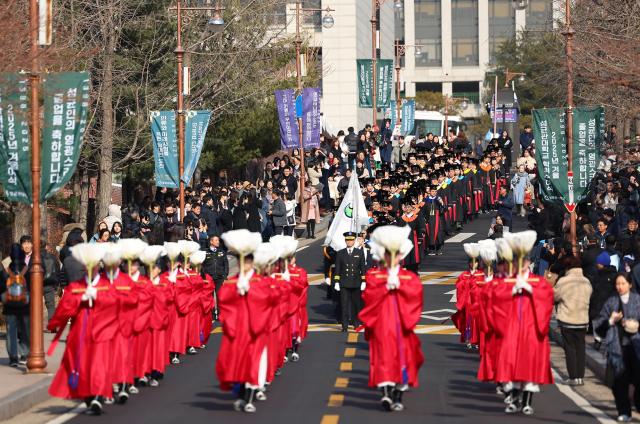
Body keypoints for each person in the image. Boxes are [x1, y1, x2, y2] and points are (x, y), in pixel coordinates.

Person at [359, 225, 424, 412]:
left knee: (402, 359)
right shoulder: (375, 275)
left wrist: (400, 286)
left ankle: (397, 395)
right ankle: (386, 393)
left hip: (402, 325)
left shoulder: (408, 277)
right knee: (383, 359)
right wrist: (384, 286)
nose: (391, 258)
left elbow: (416, 295)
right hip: (382, 325)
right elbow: (369, 296)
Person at [593, 273, 640, 422]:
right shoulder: (611, 302)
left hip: (636, 347)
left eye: (623, 284)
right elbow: (599, 327)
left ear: (630, 285)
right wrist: (611, 321)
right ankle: (624, 410)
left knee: (638, 380)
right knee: (619, 382)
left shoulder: (638, 301)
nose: (620, 287)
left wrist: (636, 325)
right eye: (618, 284)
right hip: (616, 348)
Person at [553, 255, 592, 386]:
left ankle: (573, 376)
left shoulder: (564, 281)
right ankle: (580, 377)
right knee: (581, 348)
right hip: (582, 319)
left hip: (567, 319)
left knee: (570, 349)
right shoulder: (586, 281)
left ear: (567, 267)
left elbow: (555, 296)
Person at [0, 244, 31, 367]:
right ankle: (24, 353)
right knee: (25, 329)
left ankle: (13, 357)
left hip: (10, 305)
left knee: (11, 331)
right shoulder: (28, 270)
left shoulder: (6, 271)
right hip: (24, 304)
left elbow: (1, 288)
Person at [333, 232, 366, 332]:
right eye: (347, 240)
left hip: (356, 282)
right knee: (344, 305)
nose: (349, 242)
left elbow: (362, 267)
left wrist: (364, 280)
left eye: (351, 240)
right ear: (345, 241)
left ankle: (356, 324)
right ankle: (345, 325)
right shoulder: (340, 253)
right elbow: (337, 268)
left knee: (356, 305)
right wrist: (337, 282)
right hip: (344, 282)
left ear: (354, 241)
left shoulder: (359, 252)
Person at [202, 235, 229, 318]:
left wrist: (225, 276)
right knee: (210, 297)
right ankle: (212, 315)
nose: (218, 242)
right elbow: (202, 266)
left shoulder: (222, 252)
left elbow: (226, 265)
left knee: (219, 296)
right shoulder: (205, 252)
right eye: (216, 240)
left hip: (220, 277)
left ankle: (220, 315)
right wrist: (204, 276)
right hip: (209, 278)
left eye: (218, 240)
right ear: (211, 241)